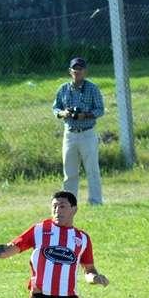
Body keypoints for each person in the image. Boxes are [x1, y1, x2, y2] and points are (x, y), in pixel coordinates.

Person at [52, 57, 105, 205]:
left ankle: (95, 201)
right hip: (70, 134)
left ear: (85, 71)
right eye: (75, 69)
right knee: (69, 172)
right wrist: (63, 113)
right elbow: (55, 108)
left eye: (80, 69)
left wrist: (85, 115)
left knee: (92, 170)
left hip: (87, 133)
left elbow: (100, 110)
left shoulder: (92, 89)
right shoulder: (63, 89)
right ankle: (69, 203)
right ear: (70, 71)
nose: (77, 72)